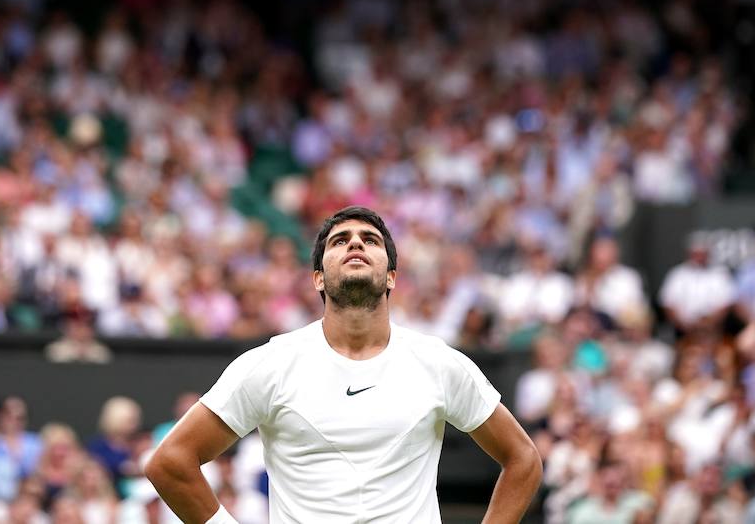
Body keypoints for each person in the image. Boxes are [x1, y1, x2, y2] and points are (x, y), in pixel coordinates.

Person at [144, 205, 542, 522]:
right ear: (318, 278)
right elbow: (170, 462)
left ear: (390, 276)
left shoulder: (438, 363)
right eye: (339, 241)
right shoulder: (271, 364)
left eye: (369, 239)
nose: (355, 244)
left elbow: (523, 459)